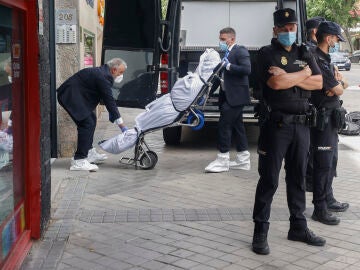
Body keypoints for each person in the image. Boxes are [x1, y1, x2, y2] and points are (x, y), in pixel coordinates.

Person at [252, 8, 325, 255]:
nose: (288, 31)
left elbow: (319, 83)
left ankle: (298, 227)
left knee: (297, 179)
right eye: (283, 28)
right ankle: (260, 232)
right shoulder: (266, 54)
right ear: (275, 30)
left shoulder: (305, 52)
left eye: (292, 27)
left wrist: (294, 75)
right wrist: (304, 74)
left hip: (302, 125)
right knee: (269, 179)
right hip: (277, 126)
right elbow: (275, 83)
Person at [305, 17, 349, 213]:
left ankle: (328, 199)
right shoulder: (315, 57)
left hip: (331, 117)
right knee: (322, 163)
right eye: (336, 39)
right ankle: (320, 207)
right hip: (321, 117)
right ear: (328, 37)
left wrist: (337, 86)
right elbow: (337, 89)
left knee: (331, 161)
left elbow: (341, 85)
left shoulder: (326, 58)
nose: (336, 42)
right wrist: (336, 87)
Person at [57, 58, 128, 172]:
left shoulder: (103, 73)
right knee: (87, 123)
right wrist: (121, 124)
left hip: (75, 95)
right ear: (114, 70)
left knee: (91, 119)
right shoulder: (103, 77)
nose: (121, 75)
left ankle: (88, 152)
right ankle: (79, 161)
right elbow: (109, 101)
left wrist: (114, 116)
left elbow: (105, 98)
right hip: (69, 95)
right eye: (121, 72)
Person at [205, 27, 251, 173]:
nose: (221, 42)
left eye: (223, 39)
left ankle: (222, 159)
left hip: (236, 96)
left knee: (224, 126)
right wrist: (206, 94)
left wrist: (229, 66)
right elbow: (219, 77)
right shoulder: (226, 54)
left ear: (232, 39)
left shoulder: (240, 50)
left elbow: (246, 69)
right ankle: (243, 160)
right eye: (220, 39)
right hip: (228, 96)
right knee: (238, 127)